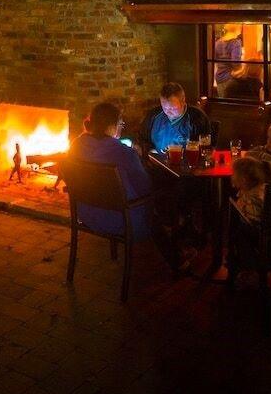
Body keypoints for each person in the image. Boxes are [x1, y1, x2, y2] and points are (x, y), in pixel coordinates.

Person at [67, 102, 182, 270]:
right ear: (111, 126)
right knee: (165, 194)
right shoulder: (124, 153)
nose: (121, 127)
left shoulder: (76, 145)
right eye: (120, 123)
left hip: (86, 213)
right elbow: (145, 188)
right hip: (121, 220)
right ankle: (178, 259)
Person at [136, 82, 212, 154]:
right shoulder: (154, 115)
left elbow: (205, 147)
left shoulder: (197, 118)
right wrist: (148, 151)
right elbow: (141, 139)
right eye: (164, 107)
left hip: (186, 163)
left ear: (183, 101)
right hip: (156, 164)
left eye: (173, 108)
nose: (168, 112)